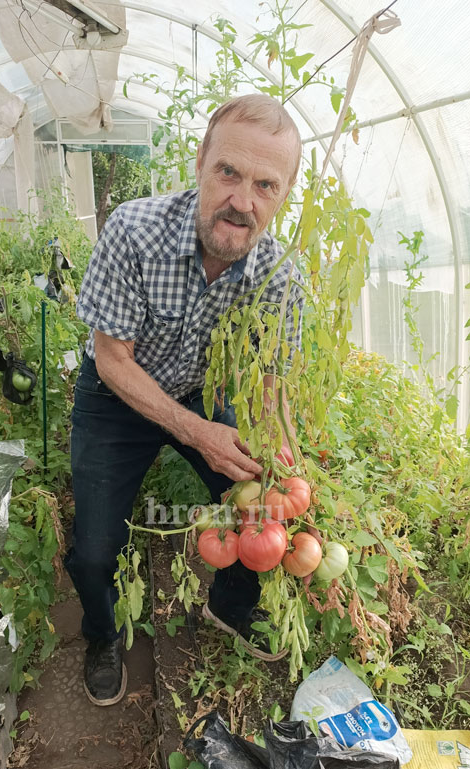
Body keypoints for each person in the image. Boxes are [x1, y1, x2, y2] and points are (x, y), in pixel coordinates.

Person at [66, 94, 305, 706]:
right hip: (118, 390)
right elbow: (113, 359)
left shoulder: (281, 276)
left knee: (259, 506)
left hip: (204, 390)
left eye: (265, 185)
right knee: (94, 551)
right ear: (200, 162)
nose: (242, 201)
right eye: (228, 172)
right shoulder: (133, 230)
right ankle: (103, 632)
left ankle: (229, 606)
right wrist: (197, 432)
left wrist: (283, 457)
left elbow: (270, 385)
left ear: (283, 195)